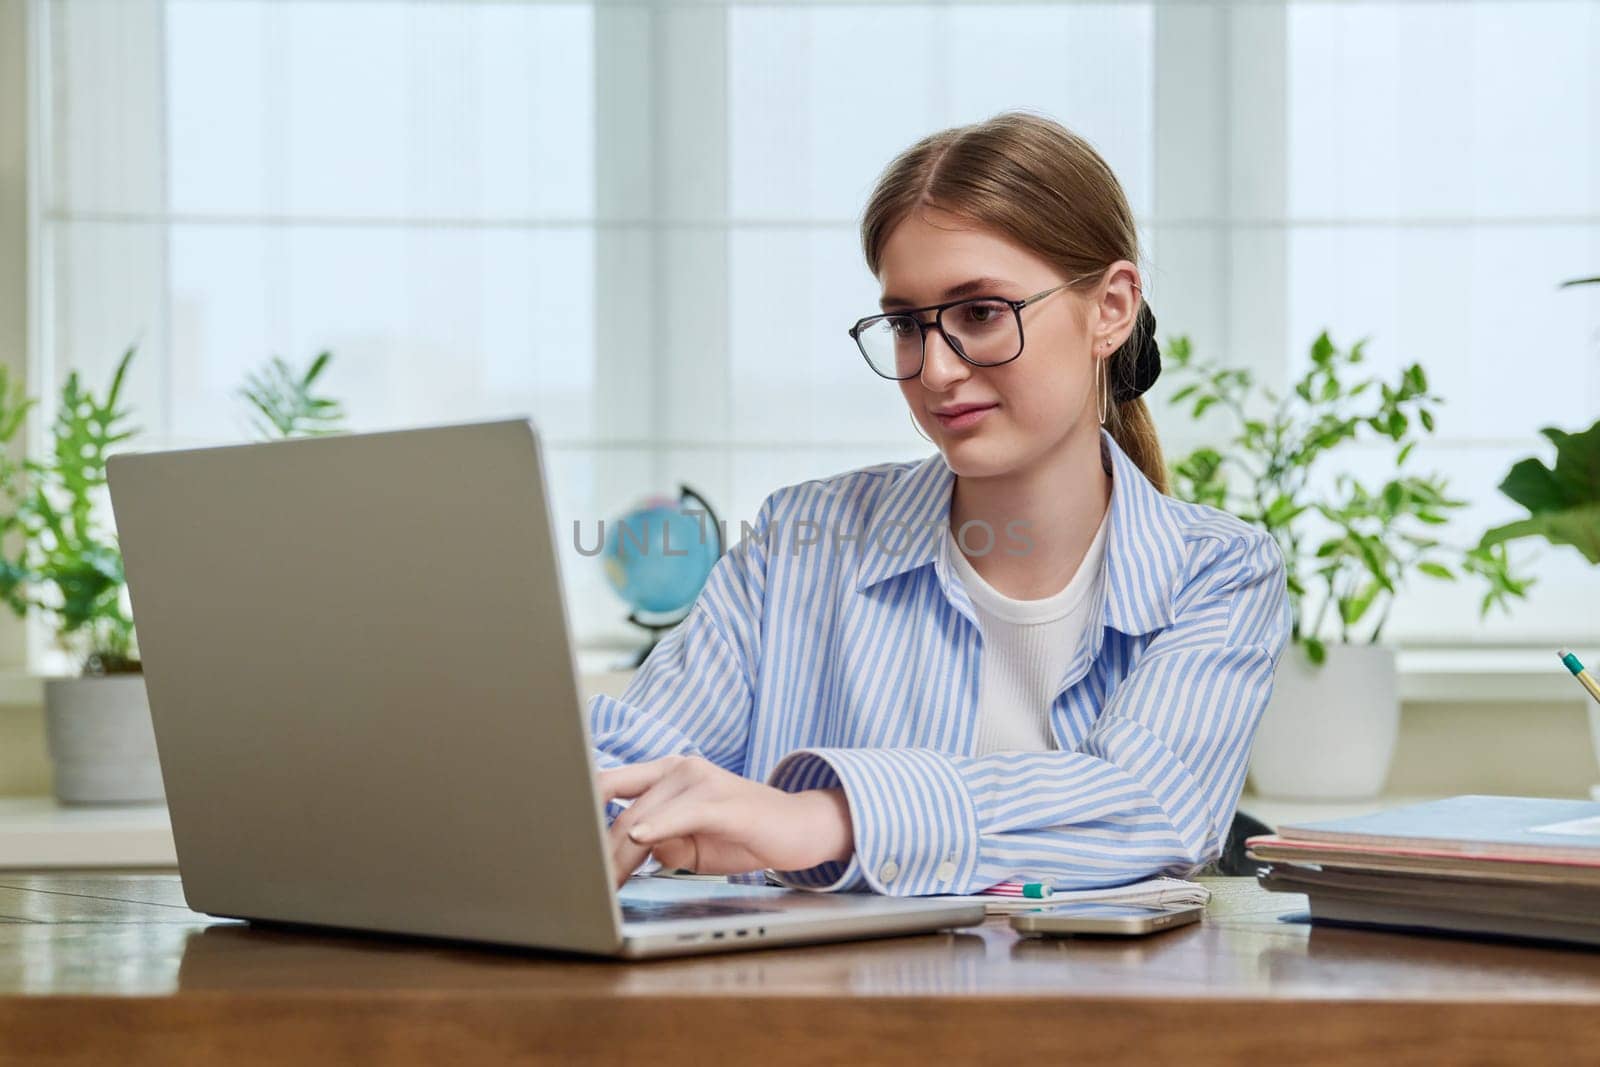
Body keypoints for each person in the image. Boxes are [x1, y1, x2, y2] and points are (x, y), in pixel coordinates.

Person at [589, 111, 1291, 897]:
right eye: (906, 324)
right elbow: (632, 765)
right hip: (822, 1014)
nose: (936, 369)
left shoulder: (1219, 572)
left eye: (981, 313)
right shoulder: (799, 542)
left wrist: (831, 817)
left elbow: (1153, 805)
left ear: (1112, 308)